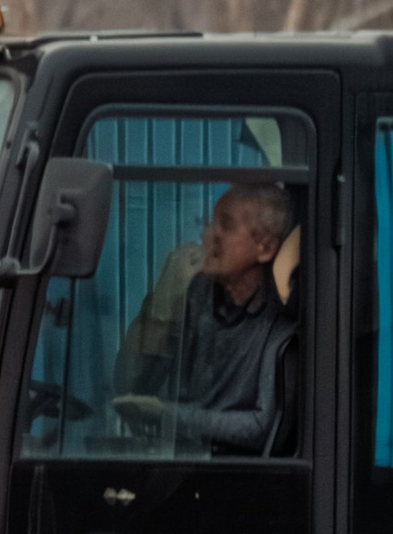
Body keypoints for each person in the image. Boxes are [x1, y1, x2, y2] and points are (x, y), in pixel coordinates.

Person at [113, 178, 300, 457]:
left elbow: (261, 426)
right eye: (210, 223)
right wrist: (165, 302)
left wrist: (166, 415)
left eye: (225, 225)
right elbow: (131, 385)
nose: (207, 235)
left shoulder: (279, 318)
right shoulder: (198, 295)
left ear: (265, 248)